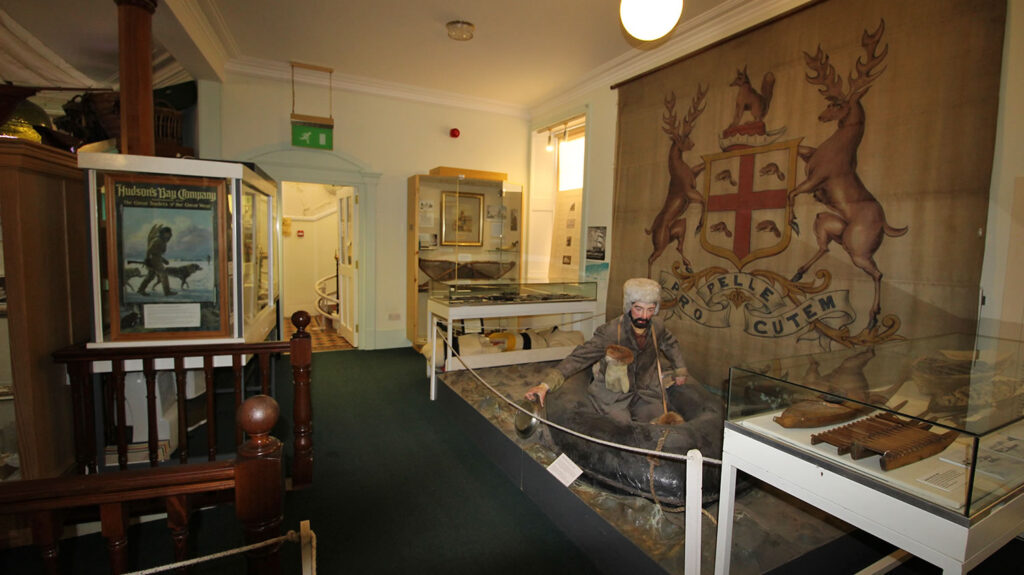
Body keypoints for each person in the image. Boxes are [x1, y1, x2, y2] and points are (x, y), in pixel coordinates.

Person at [525, 277, 690, 425]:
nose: (644, 316)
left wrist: (680, 369)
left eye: (650, 309)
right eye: (639, 309)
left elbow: (670, 343)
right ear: (628, 306)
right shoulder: (610, 332)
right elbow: (579, 357)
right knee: (620, 428)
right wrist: (546, 385)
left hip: (646, 392)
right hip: (614, 395)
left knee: (660, 425)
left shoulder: (657, 326)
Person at [137, 224, 177, 296]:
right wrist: (148, 259)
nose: (169, 235)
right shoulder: (157, 240)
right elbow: (150, 250)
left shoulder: (162, 241)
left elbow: (158, 253)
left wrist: (163, 260)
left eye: (169, 234)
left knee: (150, 276)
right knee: (163, 275)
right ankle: (167, 292)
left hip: (156, 259)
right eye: (167, 233)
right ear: (164, 233)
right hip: (153, 260)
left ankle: (140, 290)